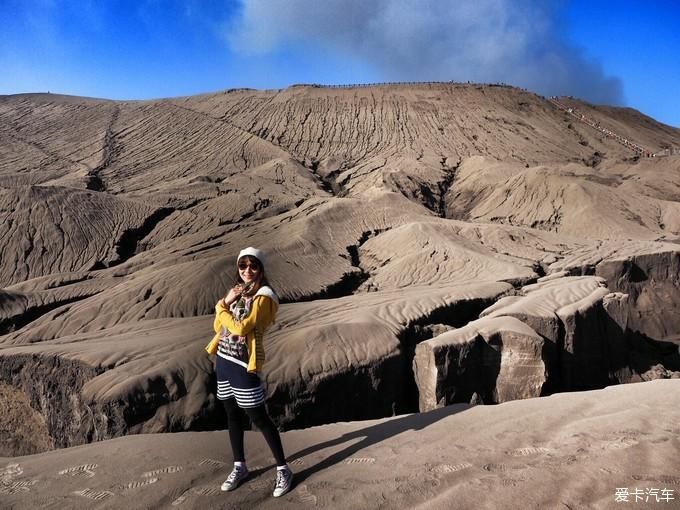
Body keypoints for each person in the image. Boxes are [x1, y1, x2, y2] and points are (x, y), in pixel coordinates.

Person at [205, 247, 293, 497]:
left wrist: (221, 305)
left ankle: (284, 470)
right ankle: (239, 466)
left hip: (244, 364)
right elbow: (217, 325)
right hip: (223, 360)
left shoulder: (265, 296)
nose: (247, 271)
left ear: (261, 269)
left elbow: (242, 328)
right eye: (242, 266)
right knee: (232, 414)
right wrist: (227, 303)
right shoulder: (239, 293)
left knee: (258, 418)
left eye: (253, 266)